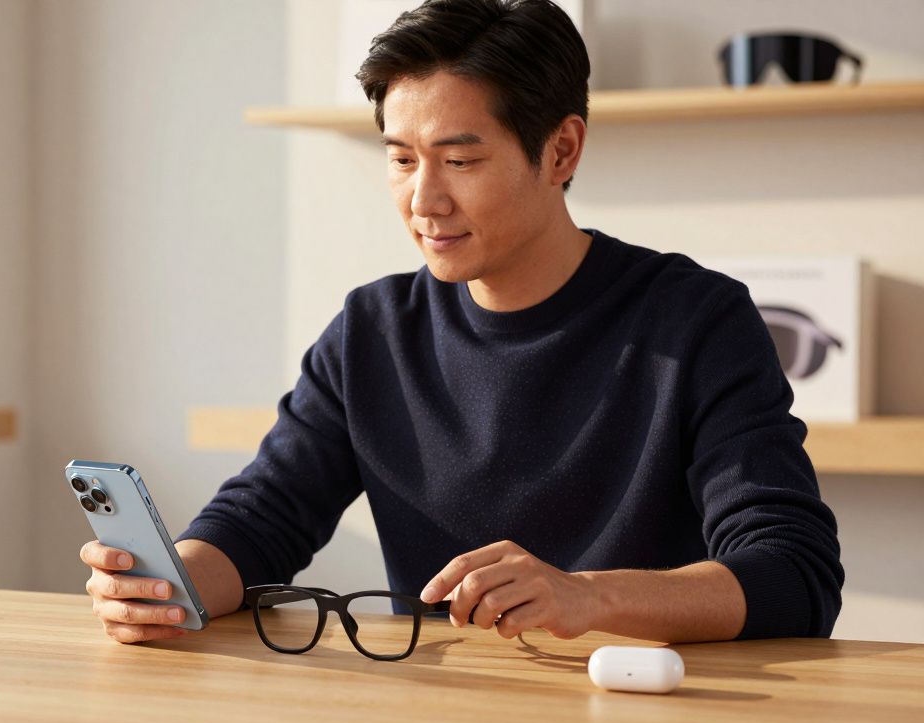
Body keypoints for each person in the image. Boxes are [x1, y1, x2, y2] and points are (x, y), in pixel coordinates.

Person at [80, 0, 843, 645]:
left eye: (461, 161)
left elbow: (793, 572)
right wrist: (168, 585)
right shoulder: (374, 330)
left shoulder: (696, 321)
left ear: (561, 149)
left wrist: (588, 596)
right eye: (403, 159)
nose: (424, 200)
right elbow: (262, 518)